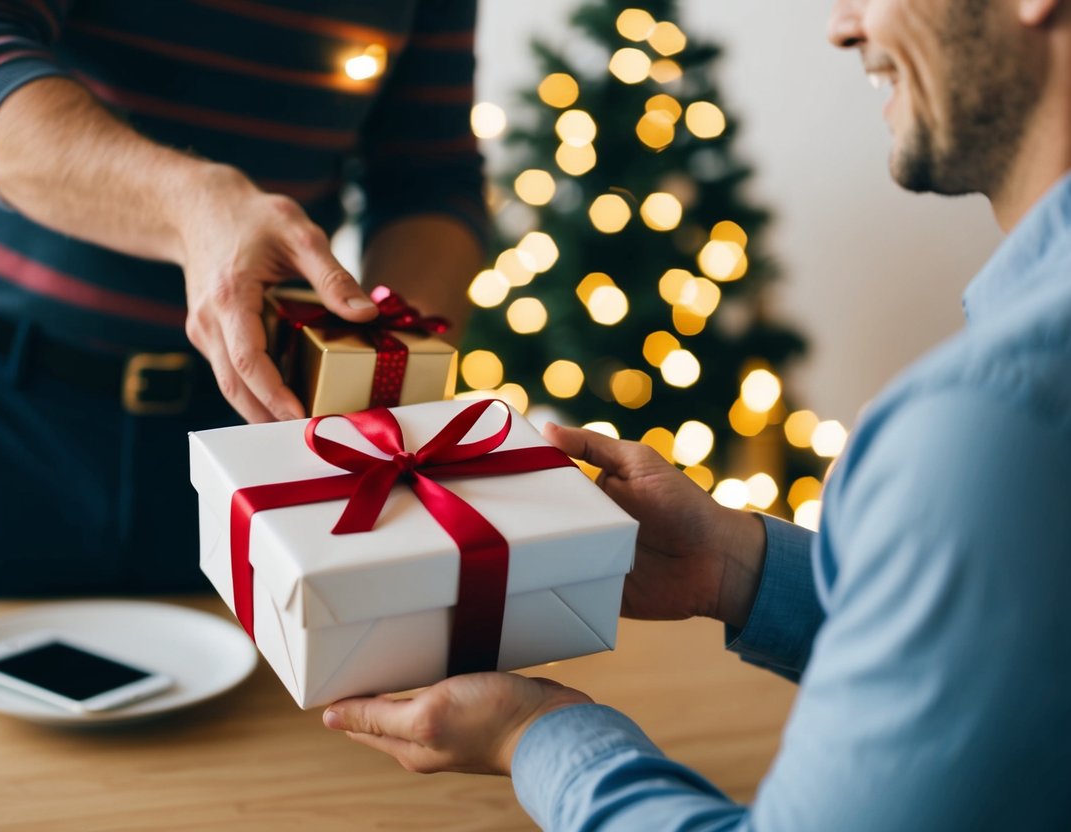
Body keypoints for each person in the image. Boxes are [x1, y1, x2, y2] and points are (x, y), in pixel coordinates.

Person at [322, 0, 1071, 827]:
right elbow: (1005, 666)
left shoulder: (990, 417)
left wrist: (533, 734)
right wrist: (734, 565)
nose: (841, 23)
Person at [0, 2, 486, 598]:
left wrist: (390, 377)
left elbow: (429, 176)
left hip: (257, 433)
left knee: (264, 700)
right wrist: (192, 207)